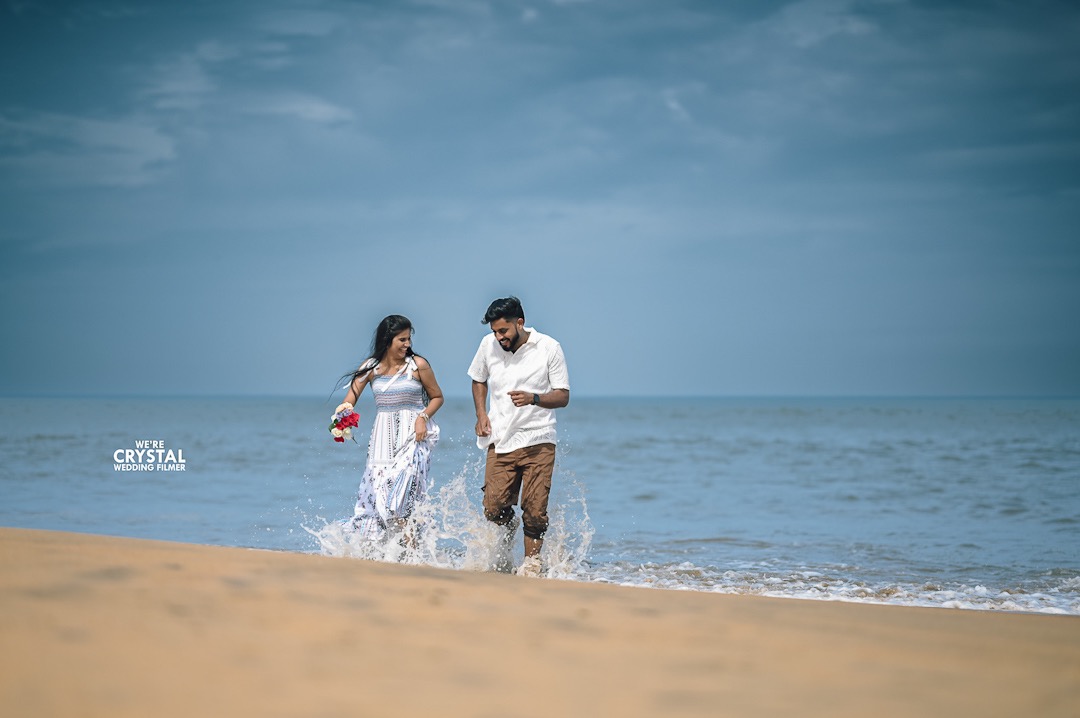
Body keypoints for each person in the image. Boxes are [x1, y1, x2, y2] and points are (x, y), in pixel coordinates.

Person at [468, 296, 570, 577]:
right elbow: (478, 378)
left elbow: (563, 396)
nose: (499, 337)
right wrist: (481, 415)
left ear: (520, 323)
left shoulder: (549, 347)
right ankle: (509, 527)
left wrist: (534, 398)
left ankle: (532, 564)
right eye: (495, 332)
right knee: (493, 507)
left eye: (503, 331)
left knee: (535, 510)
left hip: (539, 440)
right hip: (500, 439)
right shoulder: (488, 345)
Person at [335, 315, 444, 543]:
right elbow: (350, 400)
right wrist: (342, 417)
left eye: (409, 339)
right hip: (382, 441)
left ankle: (410, 550)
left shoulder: (418, 365)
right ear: (387, 340)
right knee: (380, 501)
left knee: (403, 495)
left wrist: (423, 417)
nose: (408, 345)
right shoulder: (370, 368)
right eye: (402, 340)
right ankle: (397, 552)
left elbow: (437, 397)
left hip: (414, 436)